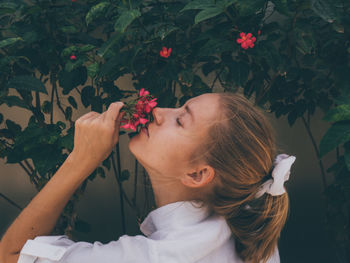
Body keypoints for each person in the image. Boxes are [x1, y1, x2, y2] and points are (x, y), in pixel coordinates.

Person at [0, 92, 296, 263]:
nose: (157, 112)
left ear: (197, 174)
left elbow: (12, 257)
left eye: (180, 120)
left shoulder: (157, 258)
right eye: (179, 107)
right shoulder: (246, 221)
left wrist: (80, 161)